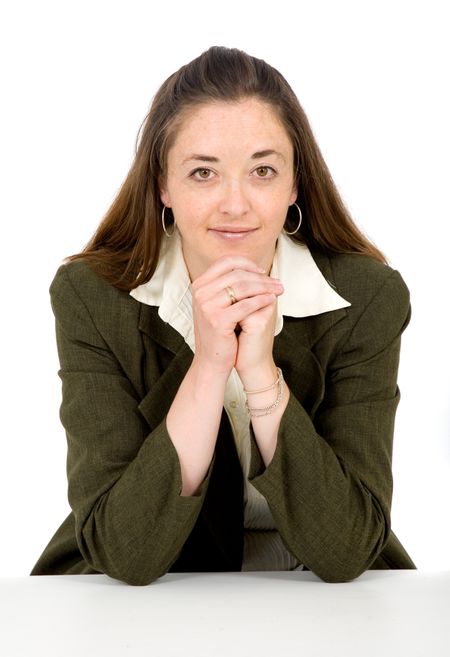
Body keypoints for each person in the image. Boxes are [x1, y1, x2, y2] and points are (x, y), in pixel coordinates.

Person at [31, 46, 415, 585]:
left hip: (315, 587)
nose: (235, 205)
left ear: (294, 183)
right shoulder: (94, 297)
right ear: (163, 185)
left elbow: (347, 547)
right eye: (203, 173)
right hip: (155, 584)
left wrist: (260, 374)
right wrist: (211, 364)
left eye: (262, 170)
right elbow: (125, 554)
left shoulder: (366, 298)